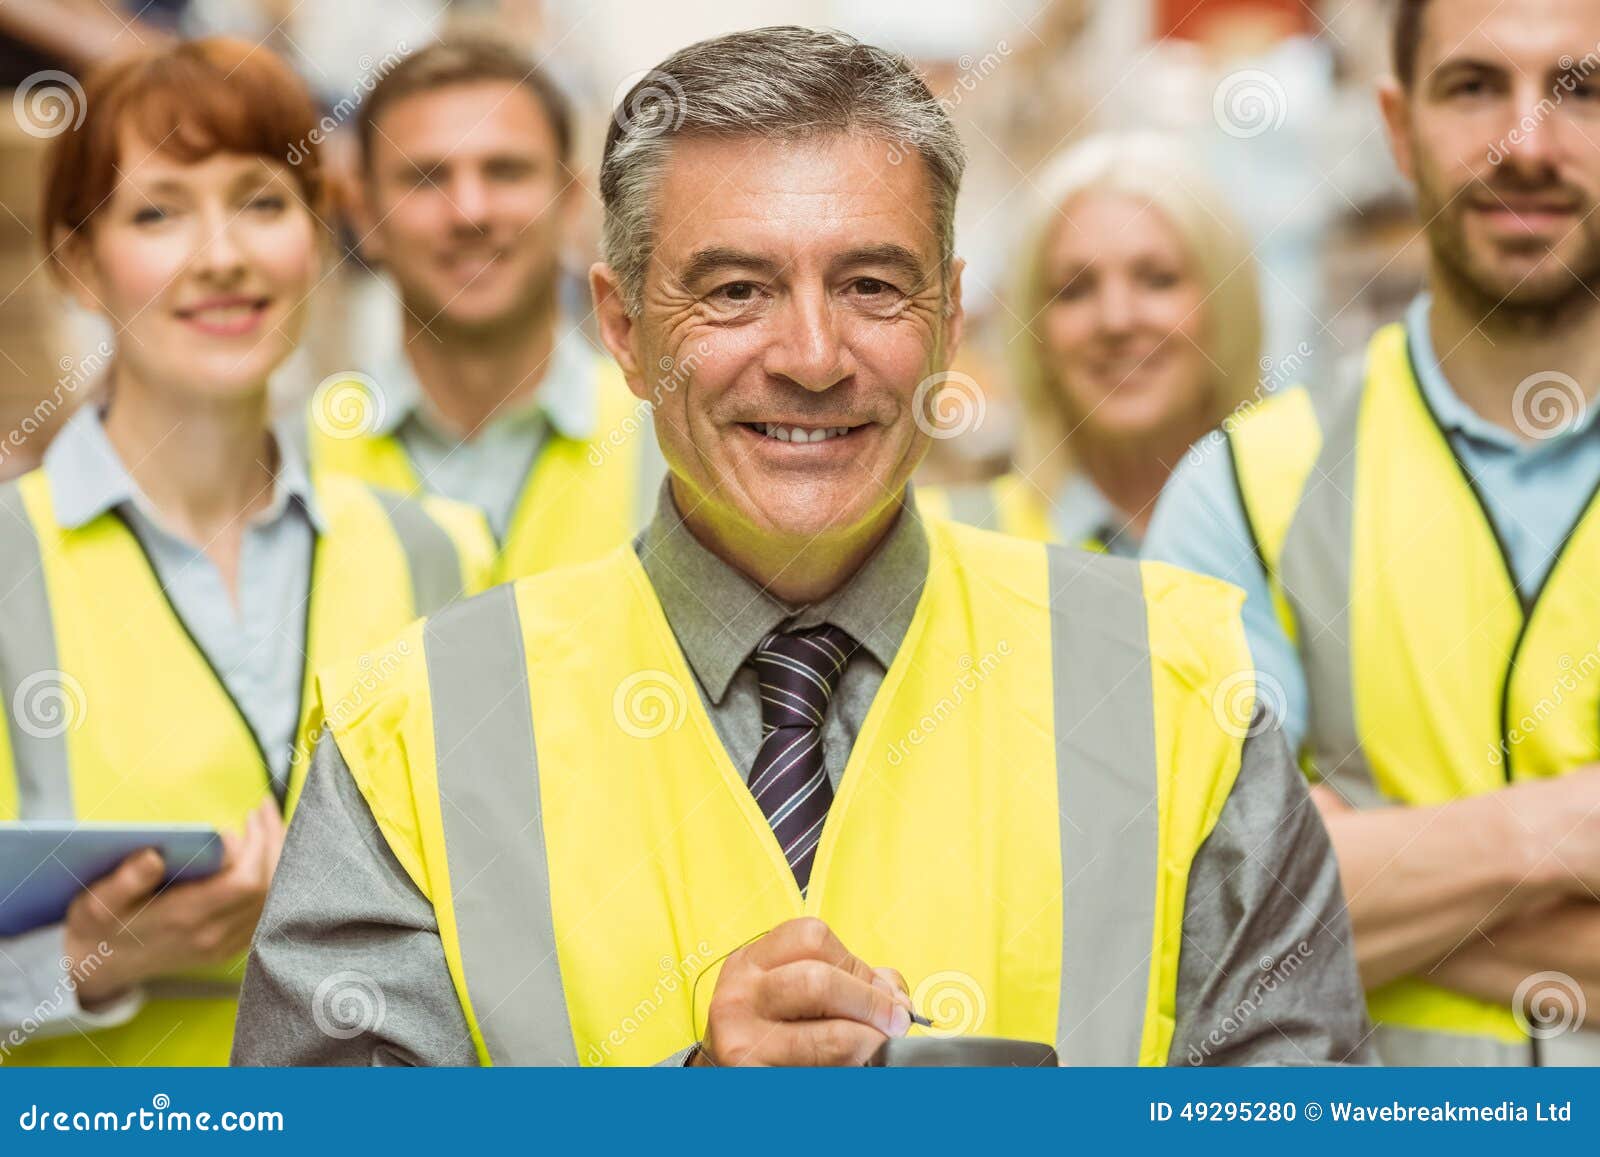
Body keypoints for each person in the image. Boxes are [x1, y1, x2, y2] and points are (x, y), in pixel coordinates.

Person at [234, 26, 1369, 1068]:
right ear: (623, 330)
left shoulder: (1179, 686)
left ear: (949, 319)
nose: (814, 355)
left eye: (872, 285)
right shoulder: (410, 735)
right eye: (736, 290)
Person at [0, 38, 493, 1067]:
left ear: (316, 240)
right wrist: (78, 963)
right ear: (83, 263)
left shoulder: (440, 553)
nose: (220, 254)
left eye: (262, 203)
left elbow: (511, 918)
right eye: (158, 211)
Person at [1144, 0, 1600, 1065]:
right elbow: (1190, 909)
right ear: (1398, 126)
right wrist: (1563, 827)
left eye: (1582, 89)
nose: (1524, 144)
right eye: (1473, 85)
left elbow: (1263, 905)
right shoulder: (1245, 490)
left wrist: (1345, 867)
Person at [303, 38, 662, 582]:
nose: (469, 212)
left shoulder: (670, 442)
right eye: (426, 177)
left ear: (570, 201)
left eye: (505, 171)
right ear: (365, 214)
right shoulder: (291, 459)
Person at [917, 133, 1261, 554]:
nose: (1116, 320)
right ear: (1034, 330)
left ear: (1226, 304)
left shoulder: (1309, 522)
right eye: (1075, 290)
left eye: (1157, 280)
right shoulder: (942, 542)